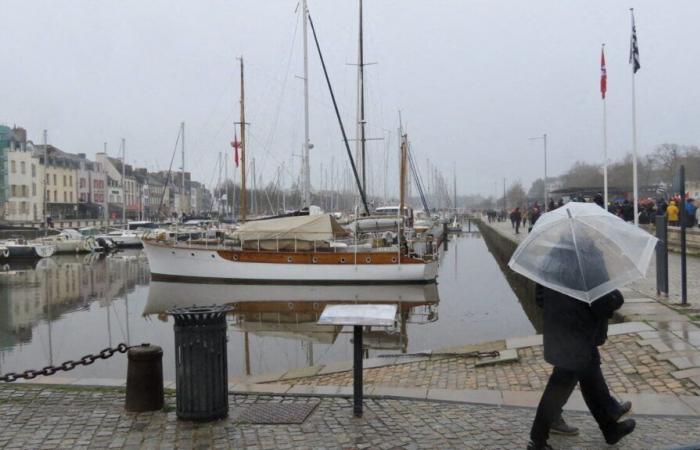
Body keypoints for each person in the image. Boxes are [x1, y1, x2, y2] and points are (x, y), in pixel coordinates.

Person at [528, 236, 635, 449]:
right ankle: (537, 440)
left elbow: (540, 297)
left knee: (591, 376)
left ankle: (610, 427)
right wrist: (617, 299)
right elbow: (602, 303)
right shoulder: (590, 259)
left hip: (560, 331)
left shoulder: (551, 257)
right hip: (580, 336)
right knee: (558, 387)